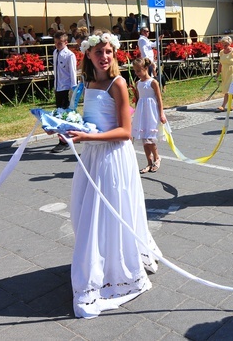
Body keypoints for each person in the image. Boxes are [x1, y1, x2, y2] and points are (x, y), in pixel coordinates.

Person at [63, 31, 160, 318]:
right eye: (98, 52)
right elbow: (88, 121)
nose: (104, 57)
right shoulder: (89, 83)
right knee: (85, 210)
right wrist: (64, 128)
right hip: (92, 157)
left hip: (112, 156)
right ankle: (101, 263)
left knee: (105, 212)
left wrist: (86, 138)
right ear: (88, 56)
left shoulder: (118, 83)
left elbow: (125, 132)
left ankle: (115, 269)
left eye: (108, 52)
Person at [131, 57, 166, 174]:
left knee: (150, 137)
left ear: (146, 68)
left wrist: (161, 113)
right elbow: (138, 99)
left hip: (152, 112)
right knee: (143, 138)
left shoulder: (153, 82)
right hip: (142, 112)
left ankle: (157, 157)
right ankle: (149, 162)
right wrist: (136, 114)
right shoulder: (138, 83)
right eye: (135, 71)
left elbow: (159, 99)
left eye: (139, 71)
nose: (137, 73)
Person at [50, 31, 78, 153]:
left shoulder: (69, 55)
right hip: (58, 87)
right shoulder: (55, 53)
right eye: (56, 43)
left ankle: (64, 141)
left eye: (60, 43)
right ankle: (67, 136)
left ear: (66, 42)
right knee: (60, 114)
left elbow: (73, 72)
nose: (57, 45)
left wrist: (73, 89)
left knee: (64, 116)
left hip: (66, 88)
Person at [215, 36, 233, 111]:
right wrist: (217, 73)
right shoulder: (221, 52)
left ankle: (223, 106)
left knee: (228, 89)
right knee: (230, 89)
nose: (224, 46)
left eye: (226, 45)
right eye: (223, 45)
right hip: (225, 73)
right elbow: (220, 64)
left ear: (230, 44)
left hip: (232, 72)